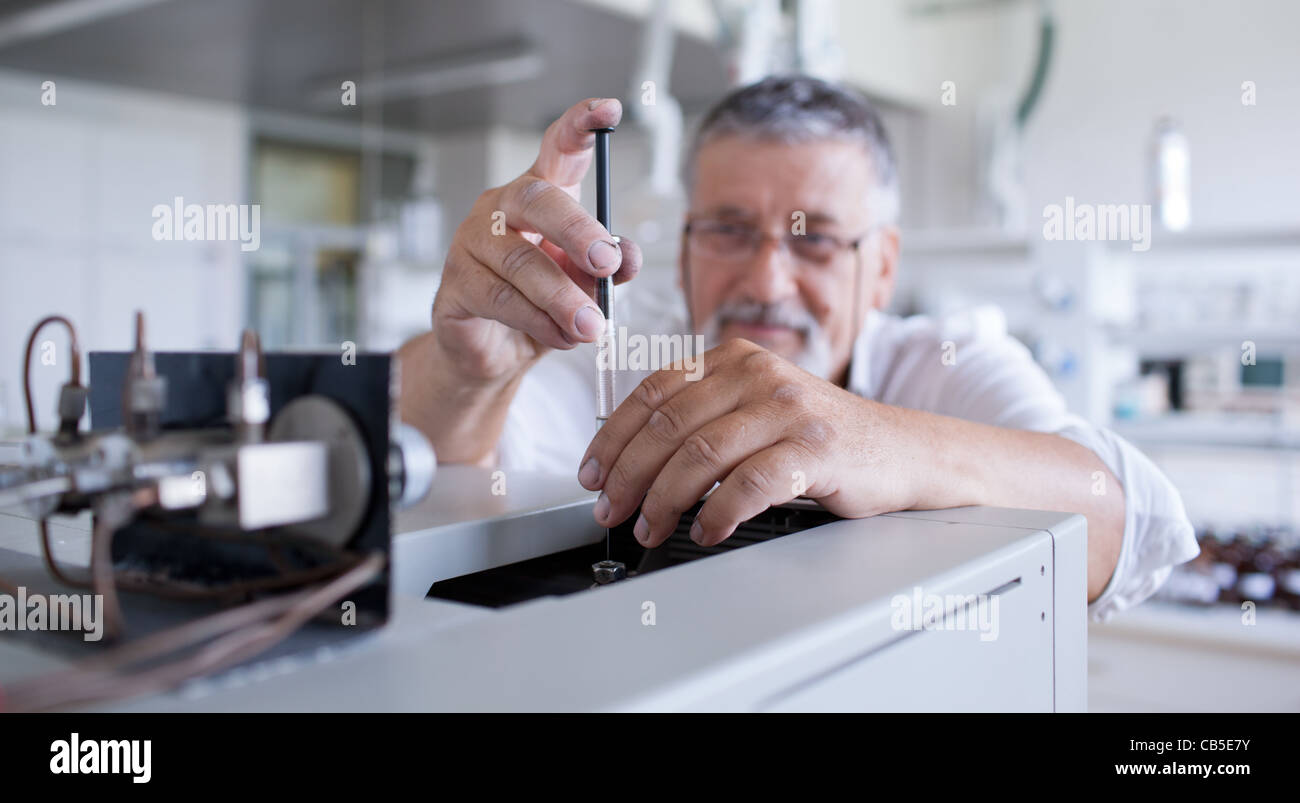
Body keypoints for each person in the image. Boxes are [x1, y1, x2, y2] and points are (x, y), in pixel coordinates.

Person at [398, 75, 1198, 621]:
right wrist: (467, 372)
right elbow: (427, 467)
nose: (768, 279)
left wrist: (871, 434)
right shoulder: (614, 369)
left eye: (814, 242)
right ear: (683, 252)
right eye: (729, 231)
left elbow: (1124, 516)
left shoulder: (943, 365)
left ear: (881, 267)